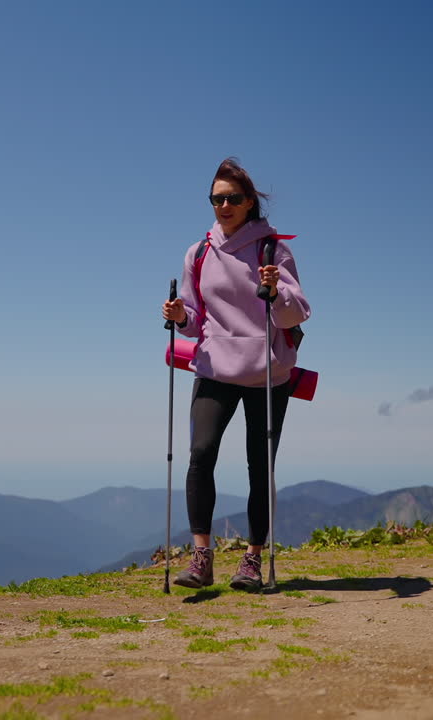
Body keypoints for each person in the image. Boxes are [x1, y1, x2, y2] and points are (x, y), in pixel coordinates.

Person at [161, 157, 311, 591]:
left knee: (259, 466)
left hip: (268, 371)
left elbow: (296, 314)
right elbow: (193, 317)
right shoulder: (200, 252)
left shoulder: (273, 250)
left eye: (233, 198)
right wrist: (177, 315)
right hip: (213, 367)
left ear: (250, 203)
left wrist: (276, 290)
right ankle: (201, 557)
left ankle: (252, 558)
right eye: (216, 198)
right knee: (200, 454)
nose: (223, 205)